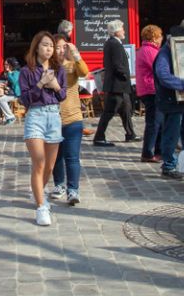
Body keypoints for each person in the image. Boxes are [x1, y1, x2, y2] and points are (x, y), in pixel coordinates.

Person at [20, 31, 66, 227]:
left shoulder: (59, 69)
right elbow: (26, 99)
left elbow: (63, 95)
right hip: (36, 116)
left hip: (54, 116)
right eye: (45, 45)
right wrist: (40, 83)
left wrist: (55, 85)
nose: (49, 48)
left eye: (51, 46)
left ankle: (39, 191)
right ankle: (41, 207)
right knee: (39, 162)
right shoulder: (27, 71)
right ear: (36, 47)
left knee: (49, 166)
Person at [50, 35, 88, 206]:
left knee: (72, 156)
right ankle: (59, 185)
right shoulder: (47, 67)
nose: (60, 50)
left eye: (63, 47)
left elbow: (85, 72)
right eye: (57, 47)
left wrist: (76, 54)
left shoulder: (72, 66)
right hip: (53, 118)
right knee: (56, 157)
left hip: (73, 117)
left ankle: (73, 190)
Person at [93, 20, 140, 147]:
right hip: (117, 84)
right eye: (122, 29)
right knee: (109, 112)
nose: (124, 31)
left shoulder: (112, 43)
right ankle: (99, 137)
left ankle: (130, 134)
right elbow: (117, 64)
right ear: (116, 31)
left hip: (119, 85)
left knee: (126, 109)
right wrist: (125, 76)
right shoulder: (114, 44)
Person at [154, 25, 184, 180]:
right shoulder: (165, 53)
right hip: (171, 101)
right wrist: (182, 84)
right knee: (171, 134)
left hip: (181, 100)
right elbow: (163, 75)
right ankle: (169, 165)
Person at [135, 24, 164, 163]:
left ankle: (157, 150)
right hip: (150, 89)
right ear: (154, 37)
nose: (161, 39)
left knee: (158, 121)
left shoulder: (146, 49)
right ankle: (148, 152)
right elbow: (159, 68)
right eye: (160, 36)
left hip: (148, 89)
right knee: (153, 122)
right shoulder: (149, 50)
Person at [0, 58, 20, 124]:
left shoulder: (16, 73)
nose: (5, 66)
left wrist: (9, 73)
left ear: (11, 65)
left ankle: (11, 117)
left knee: (1, 99)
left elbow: (14, 81)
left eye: (7, 64)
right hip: (8, 93)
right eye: (5, 64)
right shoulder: (6, 73)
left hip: (15, 94)